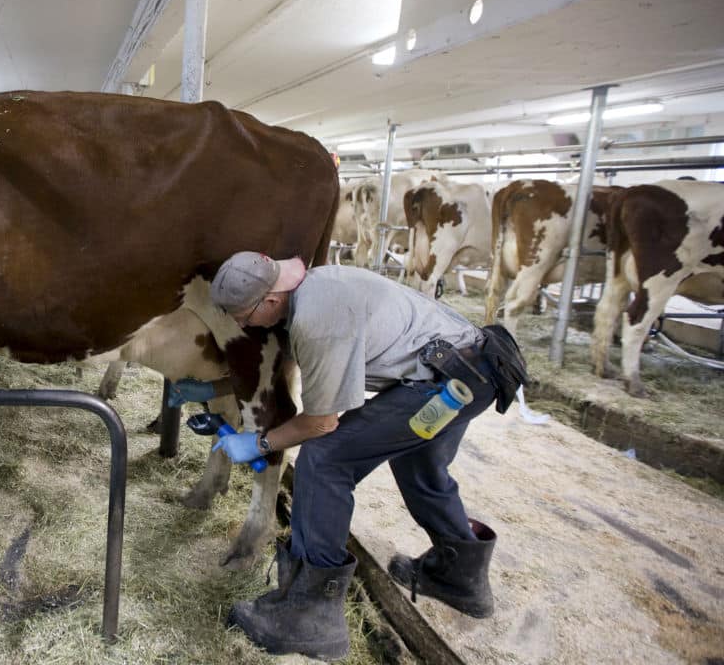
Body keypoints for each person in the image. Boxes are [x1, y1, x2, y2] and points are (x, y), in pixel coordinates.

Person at [189, 251, 526, 660]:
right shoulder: (317, 286)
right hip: (473, 366)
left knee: (324, 459)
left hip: (451, 377)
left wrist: (258, 443)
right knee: (418, 463)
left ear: (272, 300)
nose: (243, 325)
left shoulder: (316, 321)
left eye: (244, 315)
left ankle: (311, 616)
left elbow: (321, 423)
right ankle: (460, 577)